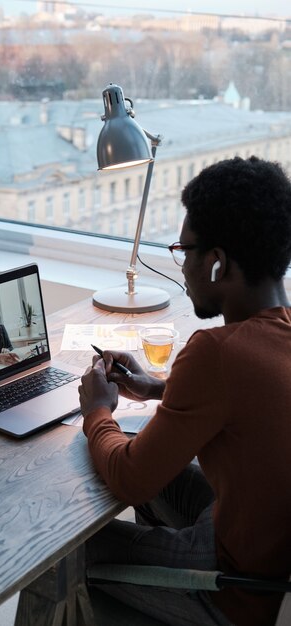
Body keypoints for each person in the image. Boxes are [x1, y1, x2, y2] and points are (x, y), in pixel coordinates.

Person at [79, 156, 291, 626]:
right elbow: (252, 398)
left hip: (234, 591)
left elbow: (131, 479)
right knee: (152, 459)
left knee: (59, 551)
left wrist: (98, 411)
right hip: (260, 549)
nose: (183, 264)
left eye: (184, 250)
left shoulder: (216, 351)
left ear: (216, 263)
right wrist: (157, 387)